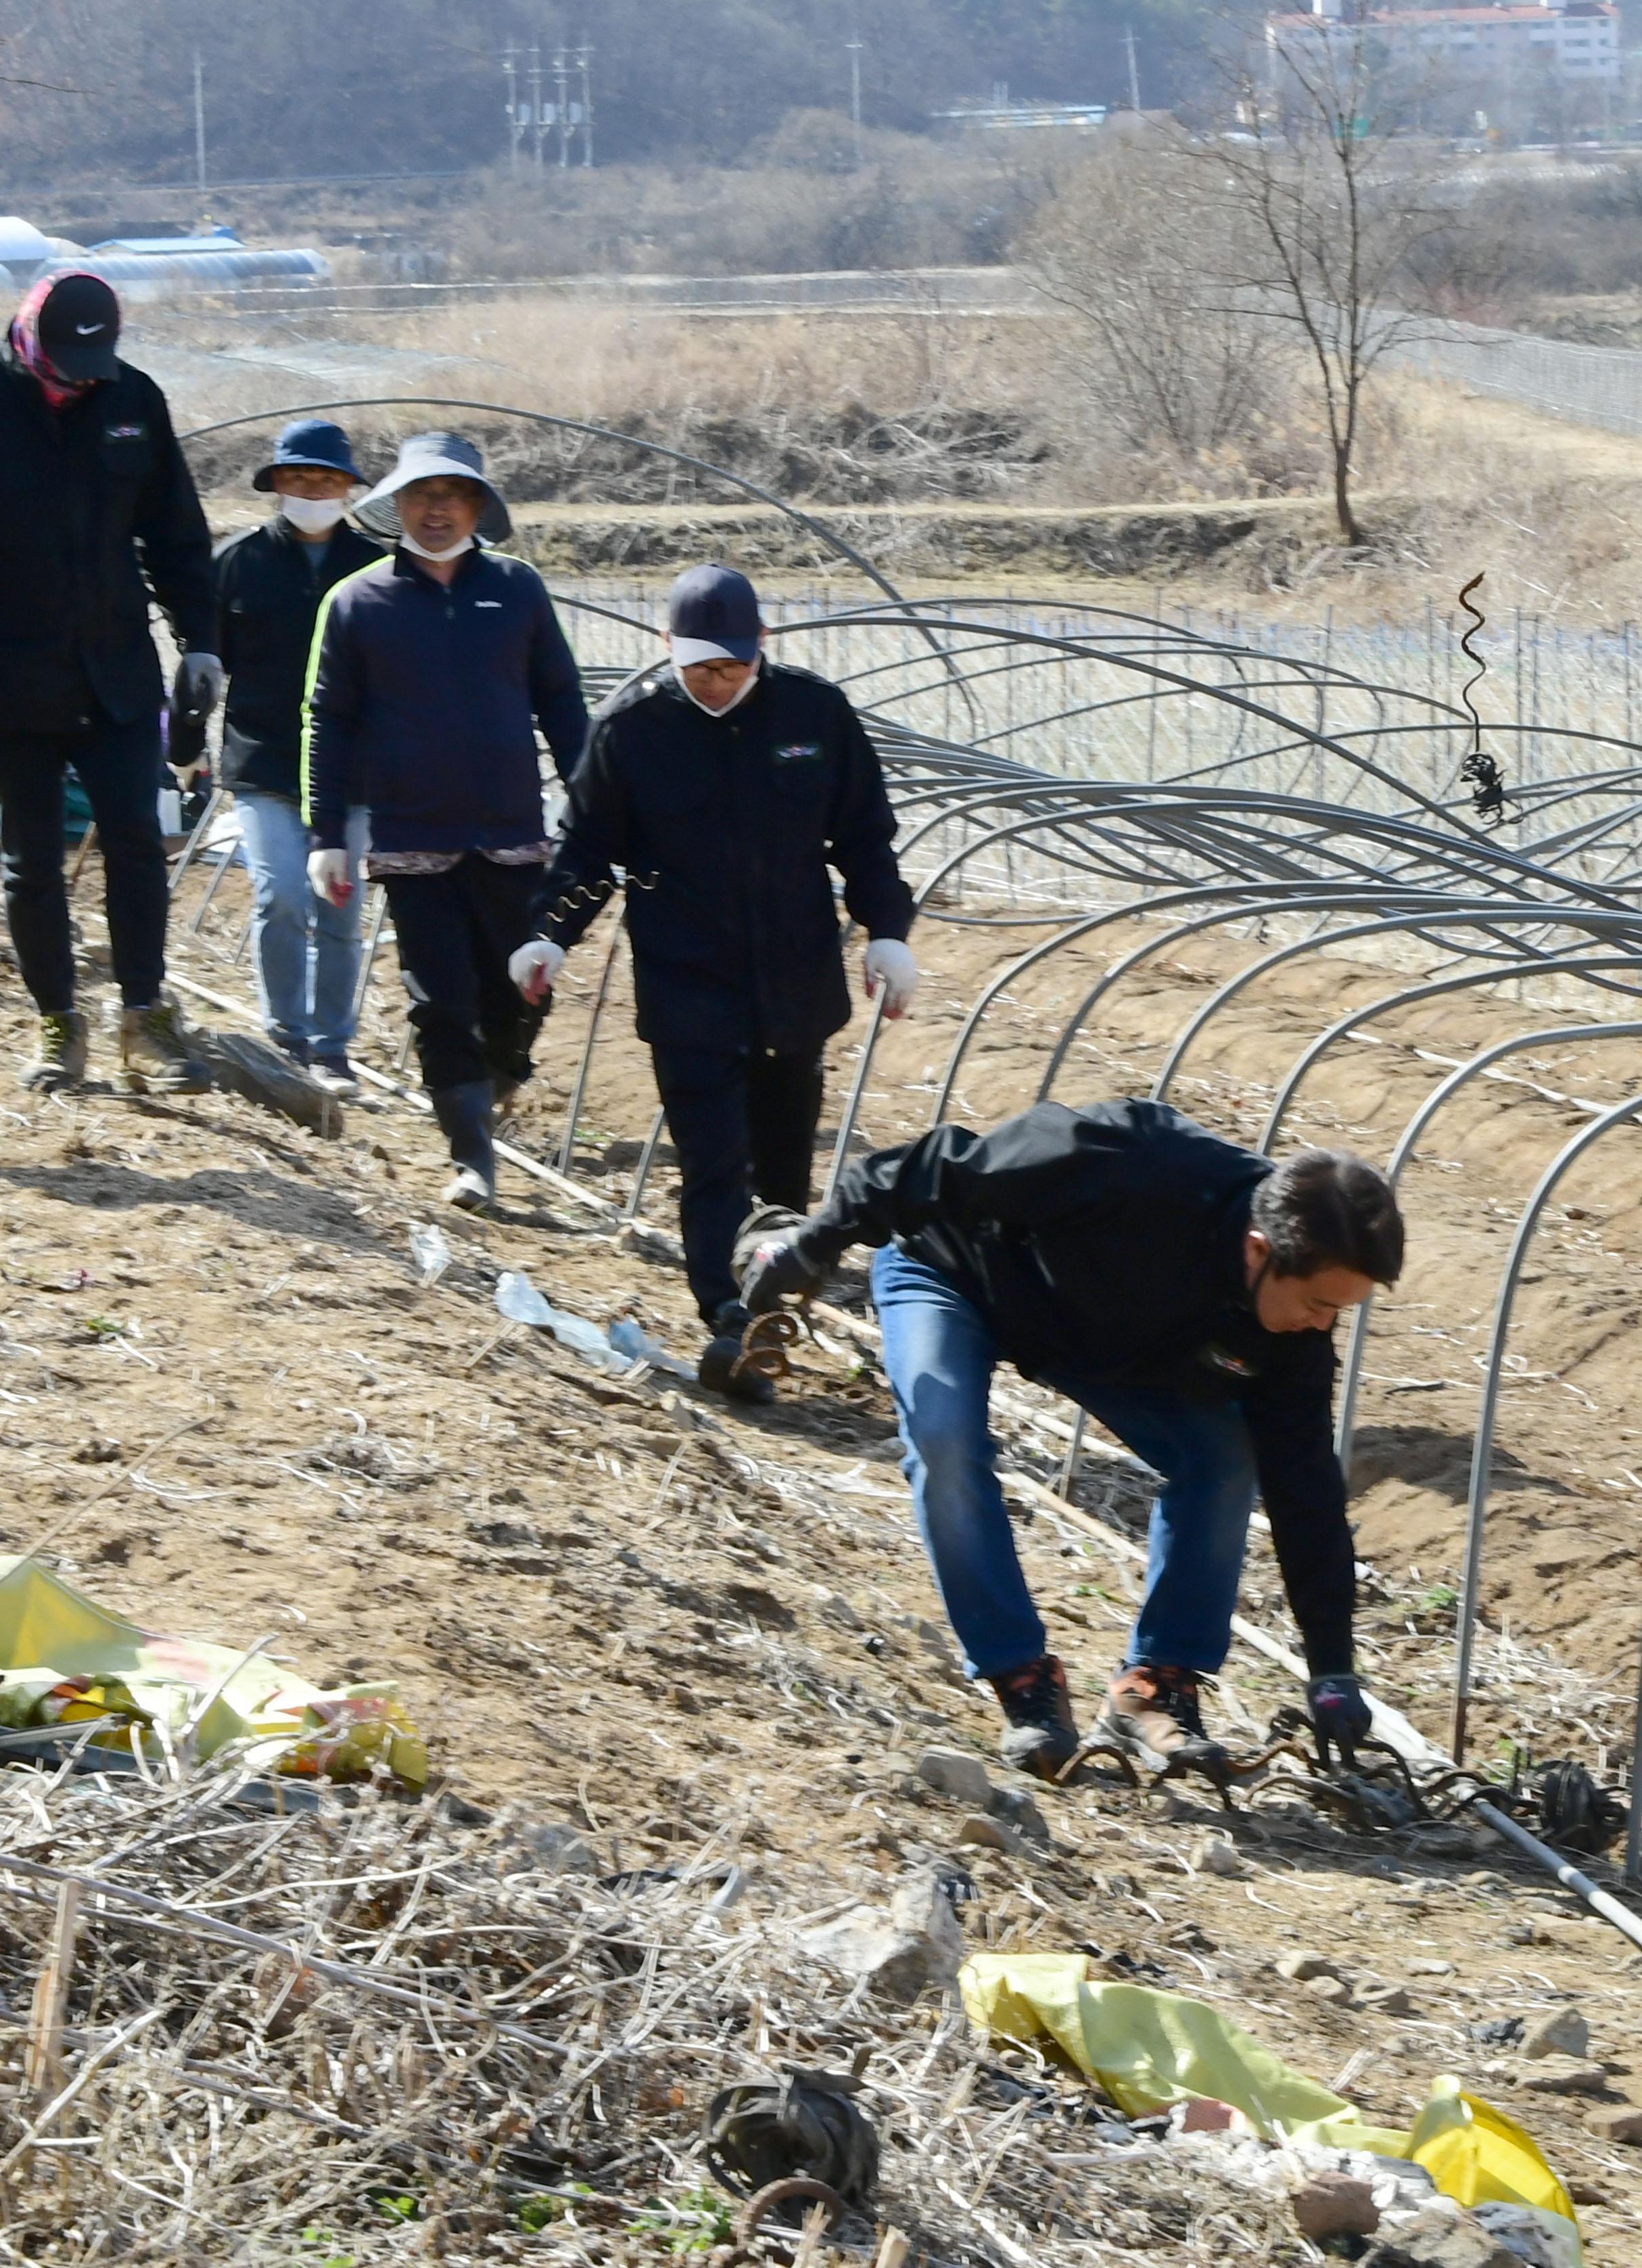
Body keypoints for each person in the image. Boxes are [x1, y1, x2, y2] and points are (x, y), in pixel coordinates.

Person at [740, 1100, 1403, 1782]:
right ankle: (1023, 1681)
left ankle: (1156, 1687)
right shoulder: (1132, 1161)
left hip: (1100, 1346)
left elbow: (1305, 1487)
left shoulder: (1294, 1333)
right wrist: (812, 1243)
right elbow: (923, 1168)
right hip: (956, 1273)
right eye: (1319, 1304)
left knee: (1225, 1460)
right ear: (1260, 1249)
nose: (1322, 1325)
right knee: (943, 1435)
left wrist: (1331, 1667)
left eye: (1339, 1311)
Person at [512, 565, 917, 1402]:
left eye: (731, 664)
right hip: (688, 981)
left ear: (759, 648)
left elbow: (865, 836)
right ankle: (731, 1318)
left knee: (781, 1166)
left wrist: (887, 934)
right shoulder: (633, 733)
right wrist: (550, 936)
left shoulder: (815, 716)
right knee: (712, 1163)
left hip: (796, 980)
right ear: (669, 650)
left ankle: (771, 1306)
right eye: (700, 665)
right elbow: (589, 853)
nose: (717, 680)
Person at [0, 270, 224, 1095]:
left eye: (94, 362)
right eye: (67, 361)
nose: (80, 378)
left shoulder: (132, 402)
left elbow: (175, 536)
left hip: (113, 669)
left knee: (137, 841)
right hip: (4, 680)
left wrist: (201, 642)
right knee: (32, 859)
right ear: (29, 335)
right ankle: (57, 1021)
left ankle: (145, 1016)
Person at [299, 430, 587, 1208]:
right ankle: (472, 1156)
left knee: (525, 986)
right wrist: (327, 835)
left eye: (452, 496)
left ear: (476, 508)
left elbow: (561, 700)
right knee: (438, 1000)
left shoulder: (518, 591)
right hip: (411, 838)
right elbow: (327, 721)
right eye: (421, 496)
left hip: (511, 833)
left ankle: (496, 1079)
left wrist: (595, 804)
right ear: (396, 505)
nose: (435, 510)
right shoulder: (358, 602)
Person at [212, 419, 387, 1086]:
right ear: (277, 484)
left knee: (340, 906)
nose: (313, 489)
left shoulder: (373, 568)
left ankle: (331, 1043)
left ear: (347, 488)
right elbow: (211, 659)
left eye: (327, 479)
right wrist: (183, 742)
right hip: (264, 759)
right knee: (281, 894)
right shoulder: (239, 562)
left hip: (351, 770)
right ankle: (286, 1034)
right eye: (299, 477)